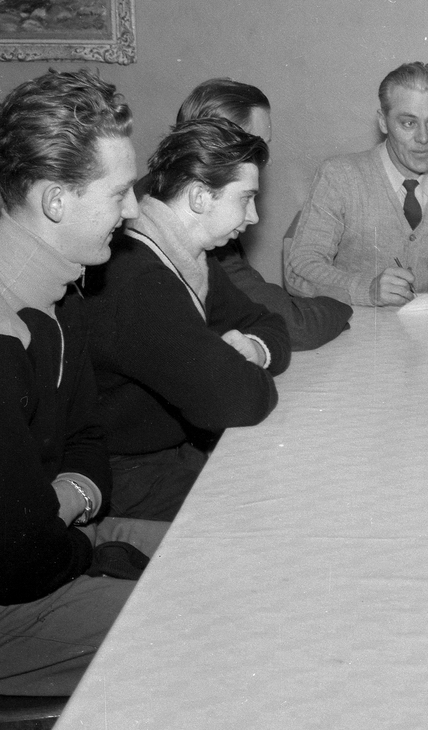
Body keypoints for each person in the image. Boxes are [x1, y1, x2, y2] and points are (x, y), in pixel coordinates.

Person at [0, 68, 168, 696]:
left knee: (231, 554)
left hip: (57, 542)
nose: (133, 211)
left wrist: (60, 501)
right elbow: (19, 558)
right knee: (216, 617)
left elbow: (89, 442)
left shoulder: (62, 288)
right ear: (56, 201)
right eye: (119, 193)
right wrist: (81, 539)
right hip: (16, 595)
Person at [85, 117, 291, 521]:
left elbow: (269, 324)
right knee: (271, 514)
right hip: (128, 476)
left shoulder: (191, 256)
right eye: (245, 199)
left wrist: (251, 349)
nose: (253, 216)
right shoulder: (141, 279)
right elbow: (240, 401)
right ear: (199, 197)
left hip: (173, 452)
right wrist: (232, 366)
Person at [283, 62, 428, 306]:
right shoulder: (340, 176)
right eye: (409, 123)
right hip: (354, 323)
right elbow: (299, 271)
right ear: (383, 122)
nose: (424, 138)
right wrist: (366, 290)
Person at [172, 78, 352, 350]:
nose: (266, 160)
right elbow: (291, 324)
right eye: (258, 148)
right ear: (219, 144)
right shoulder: (190, 219)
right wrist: (344, 304)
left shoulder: (184, 195)